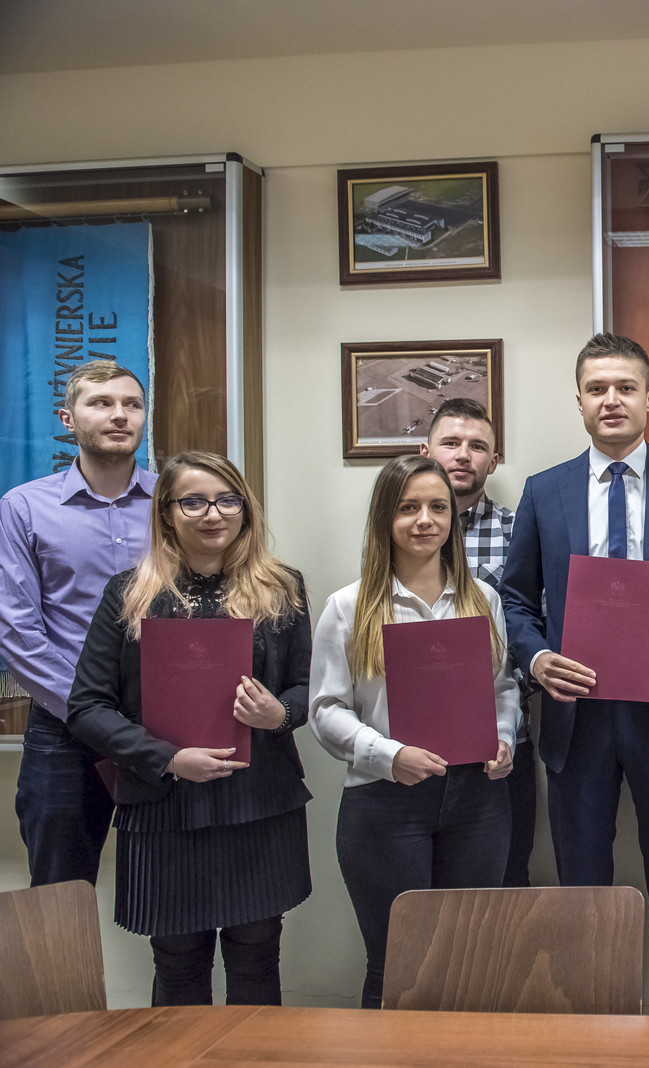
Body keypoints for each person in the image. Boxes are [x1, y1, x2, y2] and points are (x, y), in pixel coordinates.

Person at [500, 333, 649, 1015]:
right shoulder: (545, 492)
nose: (612, 400)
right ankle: (592, 1040)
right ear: (579, 402)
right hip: (578, 720)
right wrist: (537, 658)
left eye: (626, 387)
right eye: (597, 389)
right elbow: (515, 599)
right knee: (584, 901)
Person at [66, 450, 312, 1005]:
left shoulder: (284, 587)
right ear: (167, 513)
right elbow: (87, 707)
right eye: (194, 502)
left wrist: (280, 714)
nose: (213, 514)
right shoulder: (129, 593)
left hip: (259, 801)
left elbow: (306, 688)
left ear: (245, 509)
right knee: (177, 959)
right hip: (163, 805)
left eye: (227, 500)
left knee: (256, 952)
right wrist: (168, 759)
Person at [309, 454, 518, 1009]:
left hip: (477, 802)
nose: (425, 520)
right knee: (397, 965)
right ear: (385, 517)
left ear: (453, 517)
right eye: (408, 508)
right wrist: (388, 755)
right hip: (385, 804)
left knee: (466, 964)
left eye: (437, 508)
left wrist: (503, 737)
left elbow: (503, 688)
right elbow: (326, 710)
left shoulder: (483, 600)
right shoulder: (348, 607)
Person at [0, 359, 155, 886]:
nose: (119, 415)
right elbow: (17, 630)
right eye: (101, 403)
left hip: (160, 722)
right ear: (68, 418)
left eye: (132, 404)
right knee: (59, 897)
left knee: (175, 889)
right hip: (64, 725)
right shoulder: (23, 507)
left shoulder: (175, 504)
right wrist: (90, 712)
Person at [419, 397, 536, 889]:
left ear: (495, 460)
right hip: (412, 744)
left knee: (503, 890)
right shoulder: (394, 535)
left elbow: (534, 625)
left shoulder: (520, 531)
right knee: (422, 897)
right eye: (451, 443)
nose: (463, 455)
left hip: (499, 745)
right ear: (426, 451)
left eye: (477, 446)